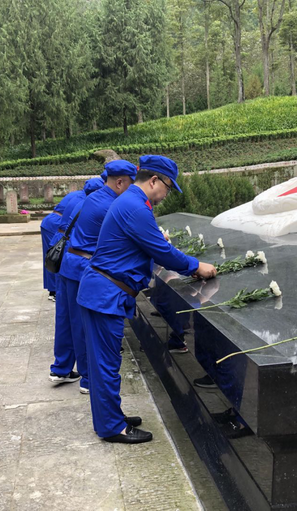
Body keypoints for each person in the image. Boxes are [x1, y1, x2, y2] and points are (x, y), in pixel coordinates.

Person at [77, 155, 217, 444]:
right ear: (154, 180)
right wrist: (197, 266)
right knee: (105, 365)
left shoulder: (131, 201)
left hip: (105, 292)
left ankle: (111, 416)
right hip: (105, 295)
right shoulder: (135, 207)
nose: (167, 194)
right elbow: (163, 253)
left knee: (106, 362)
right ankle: (112, 427)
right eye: (168, 187)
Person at [54, 160, 137, 394]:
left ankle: (65, 369)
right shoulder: (111, 205)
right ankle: (89, 379)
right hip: (82, 268)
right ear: (120, 182)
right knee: (84, 327)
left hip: (70, 264)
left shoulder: (94, 198)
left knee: (68, 321)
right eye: (131, 184)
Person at [48, 176, 105, 384]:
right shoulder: (95, 207)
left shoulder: (77, 201)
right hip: (78, 265)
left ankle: (61, 368)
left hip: (66, 262)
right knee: (81, 322)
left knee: (64, 317)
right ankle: (88, 378)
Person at [40, 189, 84, 301]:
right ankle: (54, 290)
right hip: (55, 223)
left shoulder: (79, 194)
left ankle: (53, 290)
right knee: (55, 256)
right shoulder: (84, 197)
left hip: (52, 221)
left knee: (52, 256)